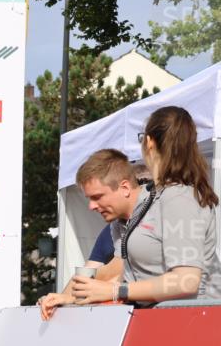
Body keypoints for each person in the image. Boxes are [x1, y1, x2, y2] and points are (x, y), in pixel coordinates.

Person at [71, 107, 221, 307]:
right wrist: (71, 298)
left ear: (149, 142)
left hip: (188, 325)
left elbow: (186, 282)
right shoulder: (156, 196)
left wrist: (117, 291)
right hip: (163, 322)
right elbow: (124, 271)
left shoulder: (179, 198)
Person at [38, 150, 140, 319]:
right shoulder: (118, 224)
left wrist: (70, 298)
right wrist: (59, 300)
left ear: (125, 188)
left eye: (97, 197)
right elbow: (102, 272)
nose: (91, 206)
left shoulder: (154, 216)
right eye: (89, 199)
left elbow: (113, 274)